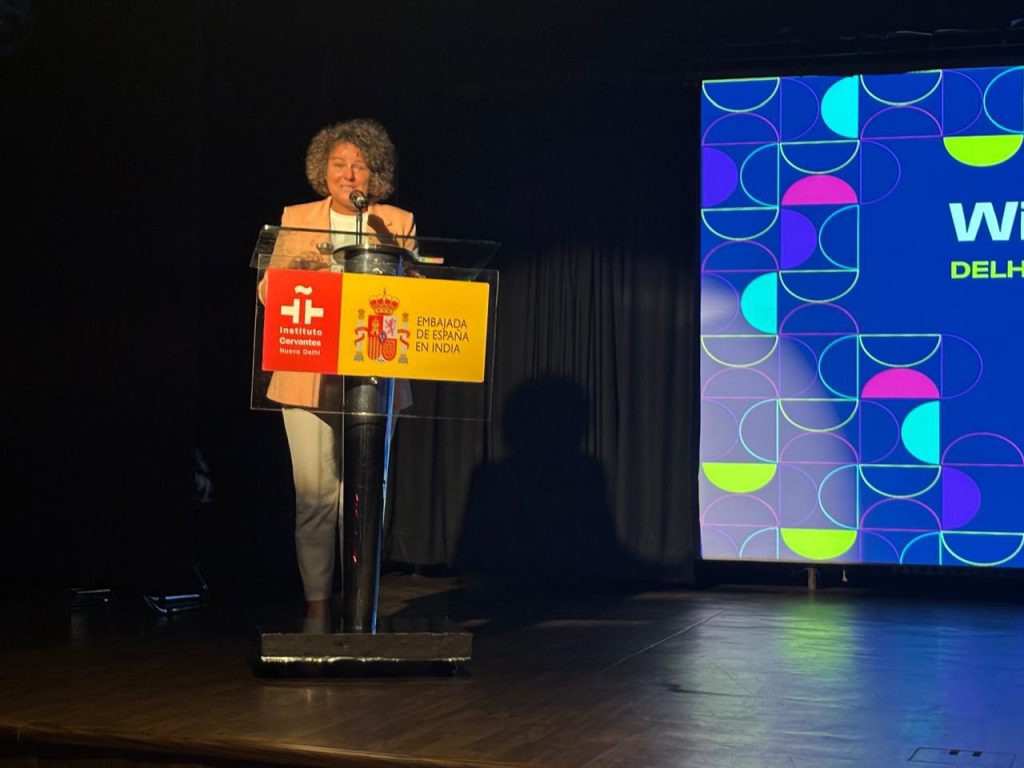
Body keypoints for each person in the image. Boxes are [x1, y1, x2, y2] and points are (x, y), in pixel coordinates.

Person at [262, 118, 416, 623]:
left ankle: (360, 608)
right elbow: (267, 292)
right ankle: (317, 608)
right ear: (322, 170)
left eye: (360, 166)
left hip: (373, 376)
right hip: (306, 372)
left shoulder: (395, 222)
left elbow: (416, 292)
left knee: (367, 496)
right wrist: (294, 275)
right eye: (339, 164)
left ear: (376, 175)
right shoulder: (296, 218)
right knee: (315, 498)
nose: (348, 175)